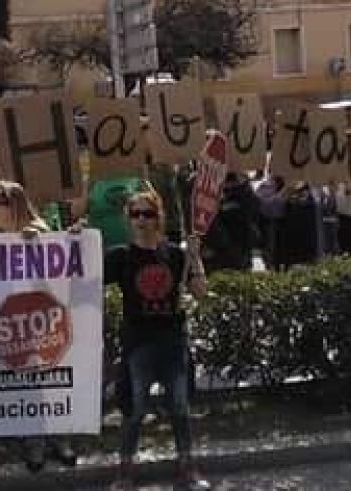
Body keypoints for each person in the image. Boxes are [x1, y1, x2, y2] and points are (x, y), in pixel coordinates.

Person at [106, 190, 209, 491]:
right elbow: (82, 273)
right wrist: (75, 236)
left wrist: (195, 256)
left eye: (147, 214)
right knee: (134, 410)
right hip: (138, 344)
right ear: (127, 219)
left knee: (179, 406)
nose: (141, 220)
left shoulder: (174, 255)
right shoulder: (120, 256)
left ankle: (187, 466)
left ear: (158, 218)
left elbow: (200, 292)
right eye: (135, 214)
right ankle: (125, 470)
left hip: (172, 341)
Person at [0, 181, 76, 472]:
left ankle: (60, 439)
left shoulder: (39, 230)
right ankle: (34, 442)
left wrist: (43, 247)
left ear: (11, 205)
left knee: (49, 382)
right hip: (7, 320)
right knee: (23, 383)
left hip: (41, 318)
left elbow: (57, 280)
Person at [201, 172, 259, 273]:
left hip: (239, 252)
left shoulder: (244, 192)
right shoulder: (208, 189)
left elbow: (252, 212)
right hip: (219, 255)